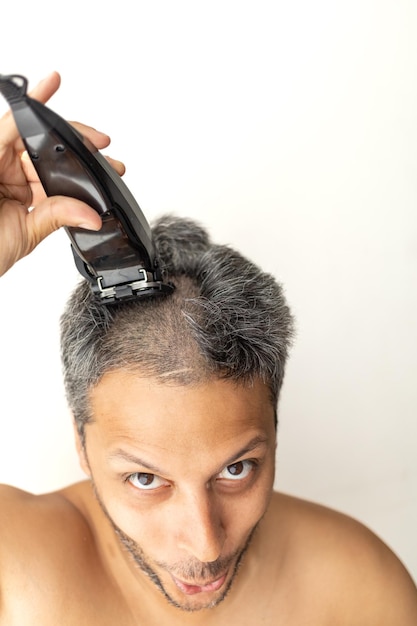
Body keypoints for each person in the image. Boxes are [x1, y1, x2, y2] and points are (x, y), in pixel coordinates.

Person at [0, 73, 416, 626]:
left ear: (274, 424)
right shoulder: (16, 569)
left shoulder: (357, 589)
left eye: (238, 468)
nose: (204, 544)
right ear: (81, 442)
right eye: (146, 480)